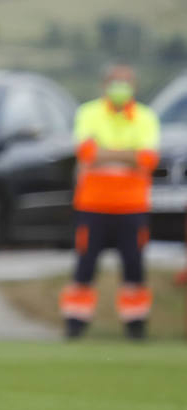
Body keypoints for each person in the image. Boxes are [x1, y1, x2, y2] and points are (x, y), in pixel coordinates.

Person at [59, 65, 160, 340]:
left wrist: (106, 153)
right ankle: (75, 324)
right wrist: (129, 155)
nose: (120, 88)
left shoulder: (145, 117)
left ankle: (136, 326)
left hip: (132, 206)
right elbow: (86, 152)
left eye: (125, 83)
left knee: (134, 267)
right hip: (92, 205)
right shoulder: (89, 113)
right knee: (85, 265)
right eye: (115, 83)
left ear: (134, 87)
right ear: (104, 85)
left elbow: (148, 159)